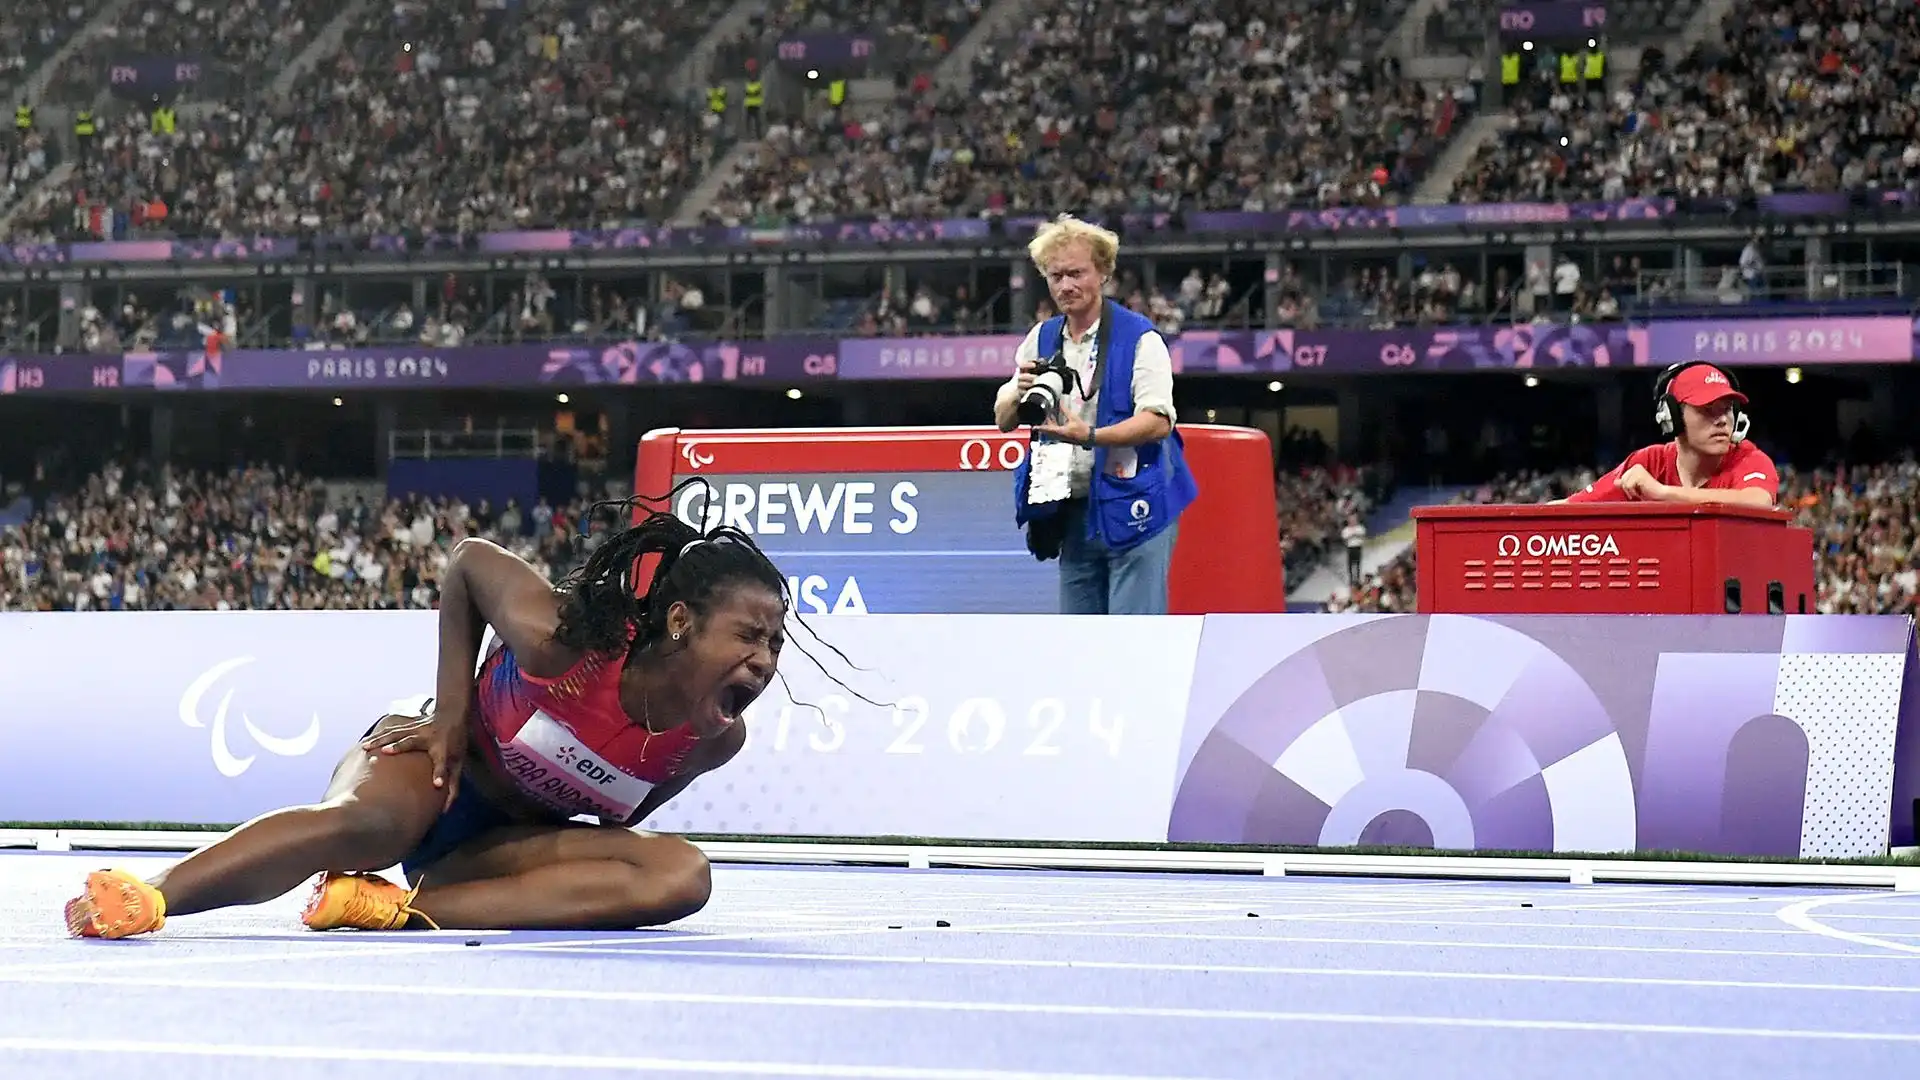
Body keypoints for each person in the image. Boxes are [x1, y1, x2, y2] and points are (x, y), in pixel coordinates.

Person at [63, 494, 790, 938]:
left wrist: (593, 851)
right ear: (680, 620)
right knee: (369, 827)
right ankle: (152, 898)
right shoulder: (566, 641)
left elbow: (619, 817)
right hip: (437, 767)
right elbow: (469, 562)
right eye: (750, 636)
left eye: (776, 643)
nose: (764, 659)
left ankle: (397, 908)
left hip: (503, 844)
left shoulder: (711, 741)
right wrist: (450, 711)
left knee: (684, 876)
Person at [992, 214, 1197, 615]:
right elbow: (1003, 419)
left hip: (1137, 503)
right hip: (1072, 507)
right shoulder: (1041, 337)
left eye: (1076, 273)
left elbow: (1158, 421)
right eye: (1055, 276)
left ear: (1102, 273)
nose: (1066, 286)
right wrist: (1015, 393)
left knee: (1134, 642)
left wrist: (1089, 435)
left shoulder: (1142, 338)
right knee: (1080, 644)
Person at [1561, 361, 1778, 507]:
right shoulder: (1650, 462)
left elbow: (1758, 501)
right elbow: (1570, 507)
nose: (1722, 420)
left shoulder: (1748, 458)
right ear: (1671, 417)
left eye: (1727, 408)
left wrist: (1662, 493)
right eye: (1707, 409)